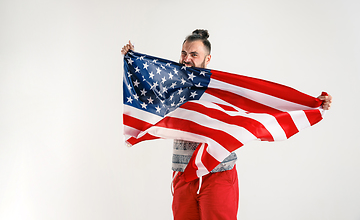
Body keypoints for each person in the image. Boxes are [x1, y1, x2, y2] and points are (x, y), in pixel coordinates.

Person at [121, 29, 332, 220]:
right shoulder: (169, 87)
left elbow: (264, 103)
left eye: (194, 54)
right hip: (183, 174)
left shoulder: (221, 89)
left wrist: (312, 105)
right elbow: (145, 97)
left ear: (207, 58)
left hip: (219, 173)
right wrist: (132, 60)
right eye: (184, 53)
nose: (187, 59)